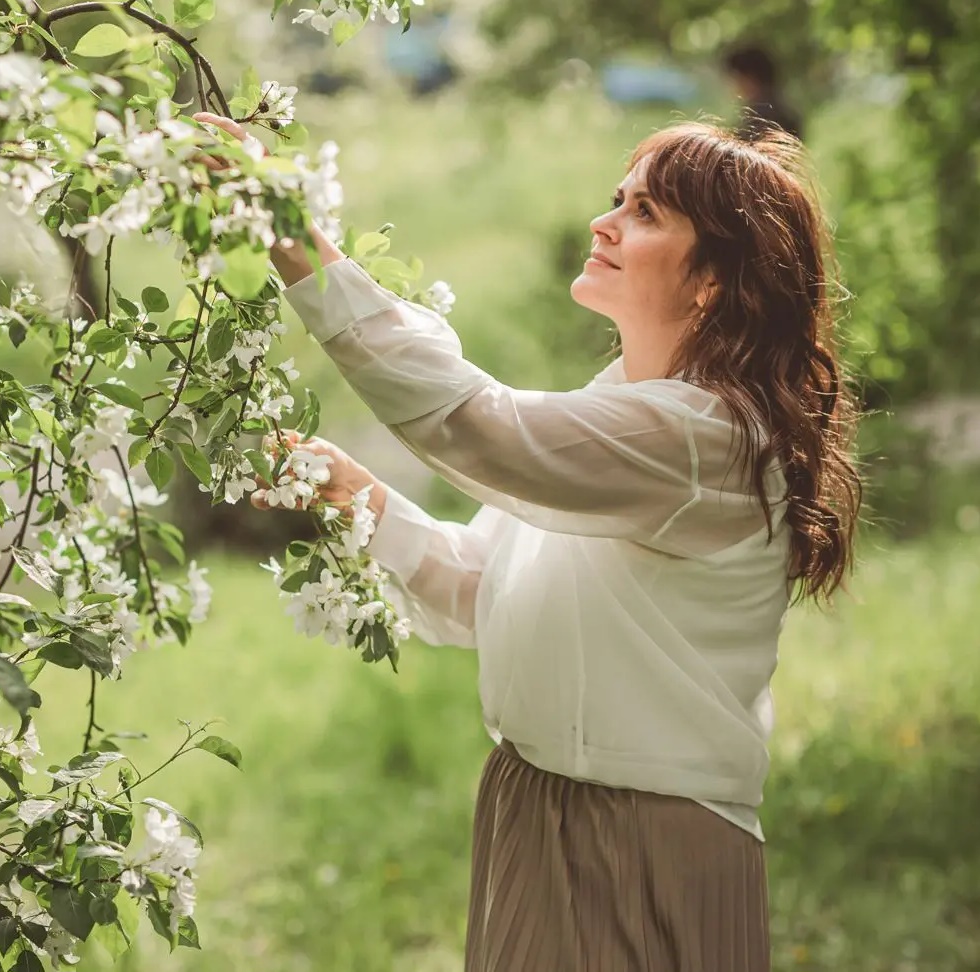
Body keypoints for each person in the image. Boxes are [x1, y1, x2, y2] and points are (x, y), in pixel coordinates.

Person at [194, 112, 863, 971]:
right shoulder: (629, 404)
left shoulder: (706, 436)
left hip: (639, 836)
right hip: (536, 806)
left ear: (716, 282)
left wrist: (289, 232)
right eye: (618, 198)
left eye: (649, 212)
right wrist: (359, 497)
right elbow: (481, 591)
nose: (606, 220)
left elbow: (478, 429)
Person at [722, 44, 804, 142]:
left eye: (736, 77)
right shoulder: (786, 113)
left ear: (749, 78)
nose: (733, 85)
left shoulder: (758, 117)